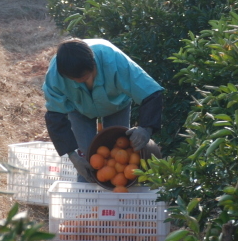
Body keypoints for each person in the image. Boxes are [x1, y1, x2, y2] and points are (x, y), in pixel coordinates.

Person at [42, 38, 164, 183]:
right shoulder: (55, 74)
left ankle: (117, 198)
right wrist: (73, 156)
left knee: (120, 153)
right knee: (87, 160)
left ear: (93, 63)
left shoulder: (113, 59)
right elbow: (55, 117)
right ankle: (88, 201)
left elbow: (151, 92)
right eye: (75, 80)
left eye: (85, 77)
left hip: (116, 104)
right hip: (79, 108)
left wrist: (146, 128)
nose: (81, 81)